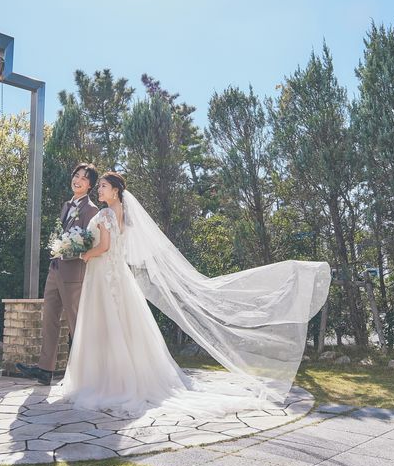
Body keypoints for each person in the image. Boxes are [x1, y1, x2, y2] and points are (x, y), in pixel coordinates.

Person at [57, 171, 331, 417]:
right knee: (123, 328)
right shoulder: (125, 216)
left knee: (105, 327)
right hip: (119, 277)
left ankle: (106, 382)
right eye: (99, 186)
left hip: (104, 276)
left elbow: (104, 247)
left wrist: (83, 253)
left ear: (116, 190)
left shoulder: (106, 214)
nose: (100, 190)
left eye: (103, 186)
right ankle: (125, 378)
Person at [17, 162, 99, 385]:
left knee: (76, 324)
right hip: (55, 269)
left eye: (83, 178)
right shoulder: (66, 205)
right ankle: (45, 370)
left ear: (90, 185)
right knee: (49, 320)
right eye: (76, 175)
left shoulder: (91, 210)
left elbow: (89, 242)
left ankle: (87, 374)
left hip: (74, 273)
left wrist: (69, 249)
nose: (78, 180)